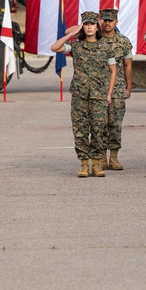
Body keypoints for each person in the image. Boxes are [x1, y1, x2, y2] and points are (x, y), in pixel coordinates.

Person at [51, 11, 117, 178]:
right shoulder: (77, 47)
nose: (89, 27)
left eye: (92, 24)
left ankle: (97, 164)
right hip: (79, 95)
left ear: (97, 27)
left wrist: (109, 93)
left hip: (99, 95)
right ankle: (84, 164)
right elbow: (55, 47)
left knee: (98, 129)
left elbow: (113, 71)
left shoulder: (106, 47)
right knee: (80, 130)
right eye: (86, 24)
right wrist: (71, 34)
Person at [99, 8, 133, 170]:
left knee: (115, 123)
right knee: (99, 123)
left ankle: (113, 157)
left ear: (116, 22)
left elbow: (128, 65)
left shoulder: (123, 41)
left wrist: (128, 87)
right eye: (105, 20)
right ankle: (101, 157)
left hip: (118, 89)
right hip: (97, 89)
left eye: (110, 21)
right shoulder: (94, 39)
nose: (107, 23)